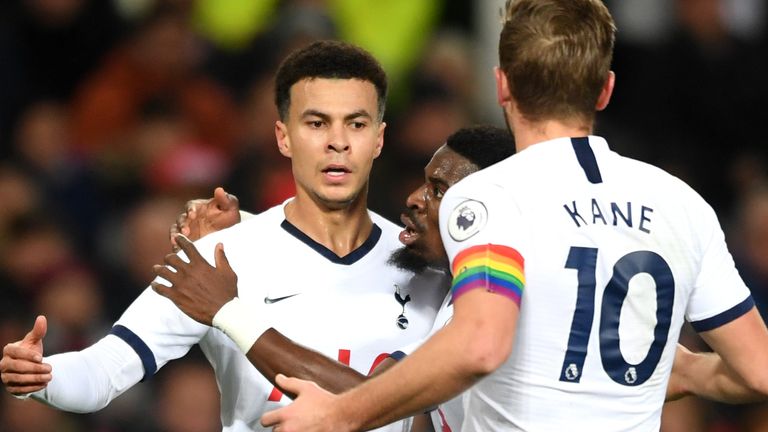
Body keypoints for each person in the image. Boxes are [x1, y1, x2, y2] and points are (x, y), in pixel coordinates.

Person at [259, 1, 768, 431]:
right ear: (605, 88)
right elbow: (759, 371)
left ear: (503, 86)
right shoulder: (682, 202)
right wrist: (678, 371)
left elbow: (481, 343)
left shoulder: (490, 195)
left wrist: (342, 416)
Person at [158, 126, 759, 432]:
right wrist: (242, 240)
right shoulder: (481, 290)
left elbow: (372, 399)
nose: (417, 200)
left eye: (444, 190)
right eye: (425, 181)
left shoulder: (491, 315)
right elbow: (721, 372)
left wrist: (230, 311)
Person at [0, 40, 444, 432]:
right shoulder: (219, 257)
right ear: (283, 137)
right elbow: (106, 370)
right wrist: (43, 375)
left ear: (380, 139)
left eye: (357, 124)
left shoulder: (426, 272)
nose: (338, 142)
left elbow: (390, 409)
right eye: (316, 123)